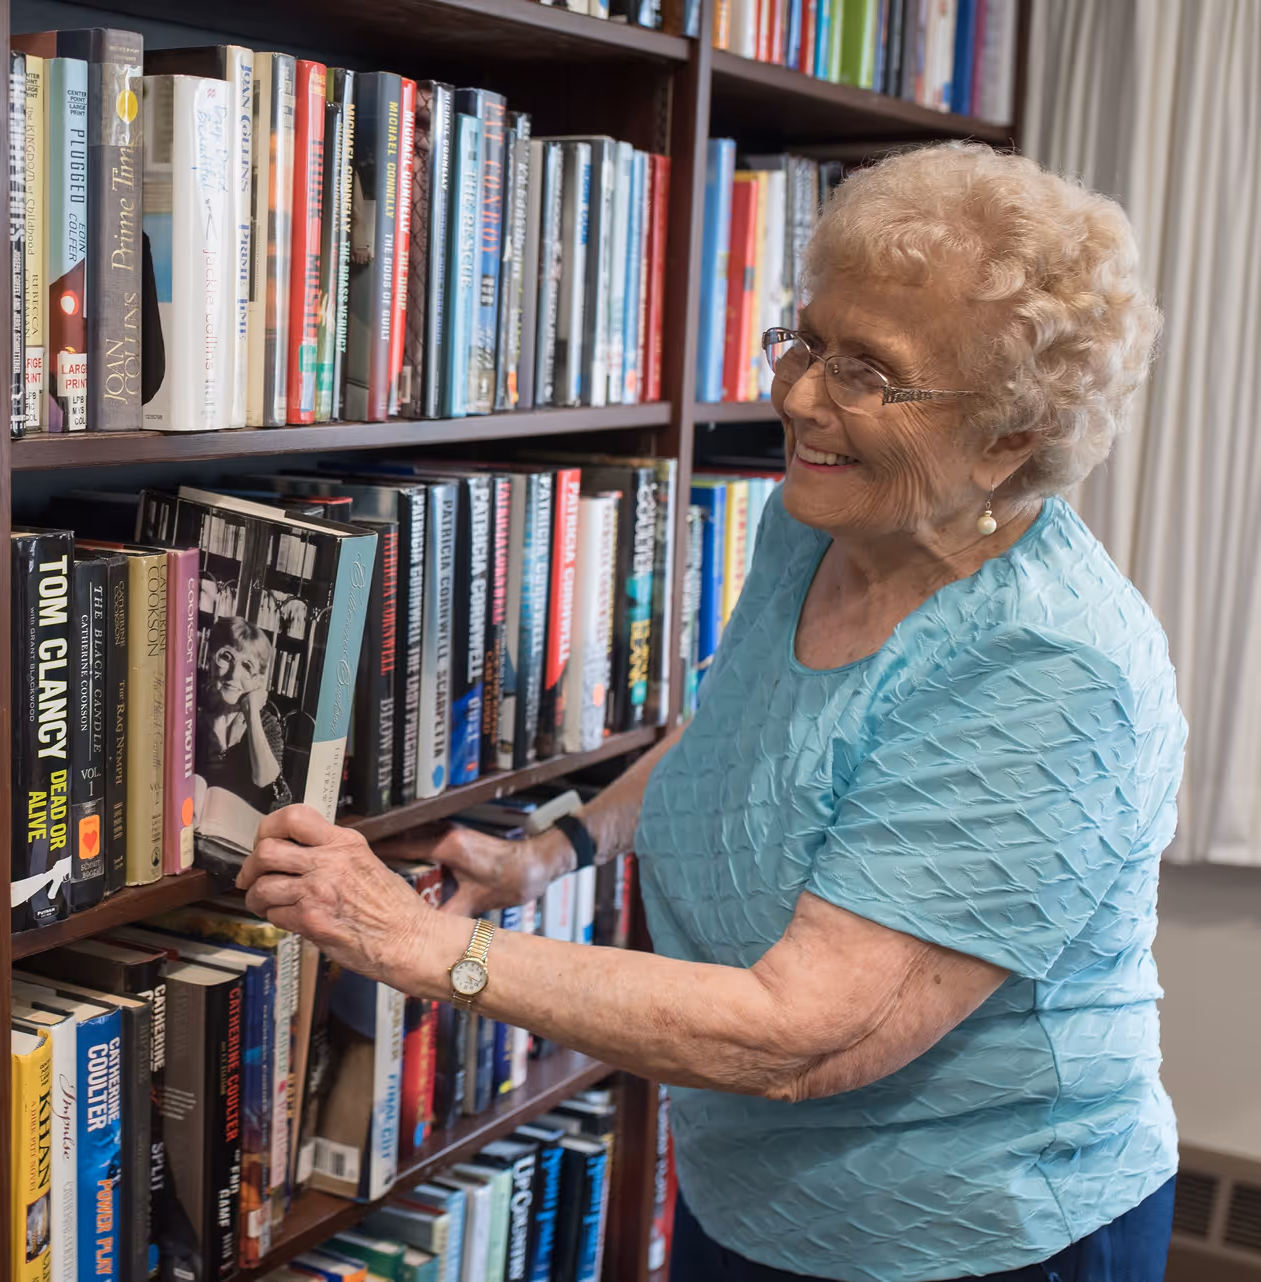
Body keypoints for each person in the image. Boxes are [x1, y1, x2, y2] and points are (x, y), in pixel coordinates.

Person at [235, 142, 1184, 1282]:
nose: (796, 397)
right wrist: (552, 852)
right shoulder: (825, 519)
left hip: (968, 1231)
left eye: (867, 374)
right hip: (749, 1187)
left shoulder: (1048, 668)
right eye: (810, 340)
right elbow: (744, 735)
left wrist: (419, 943)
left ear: (1008, 438)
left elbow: (802, 1032)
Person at [199, 614, 291, 812]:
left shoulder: (267, 723)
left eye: (247, 666)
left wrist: (251, 713)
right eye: (226, 657)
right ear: (210, 659)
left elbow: (264, 780)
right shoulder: (192, 710)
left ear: (258, 680)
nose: (234, 674)